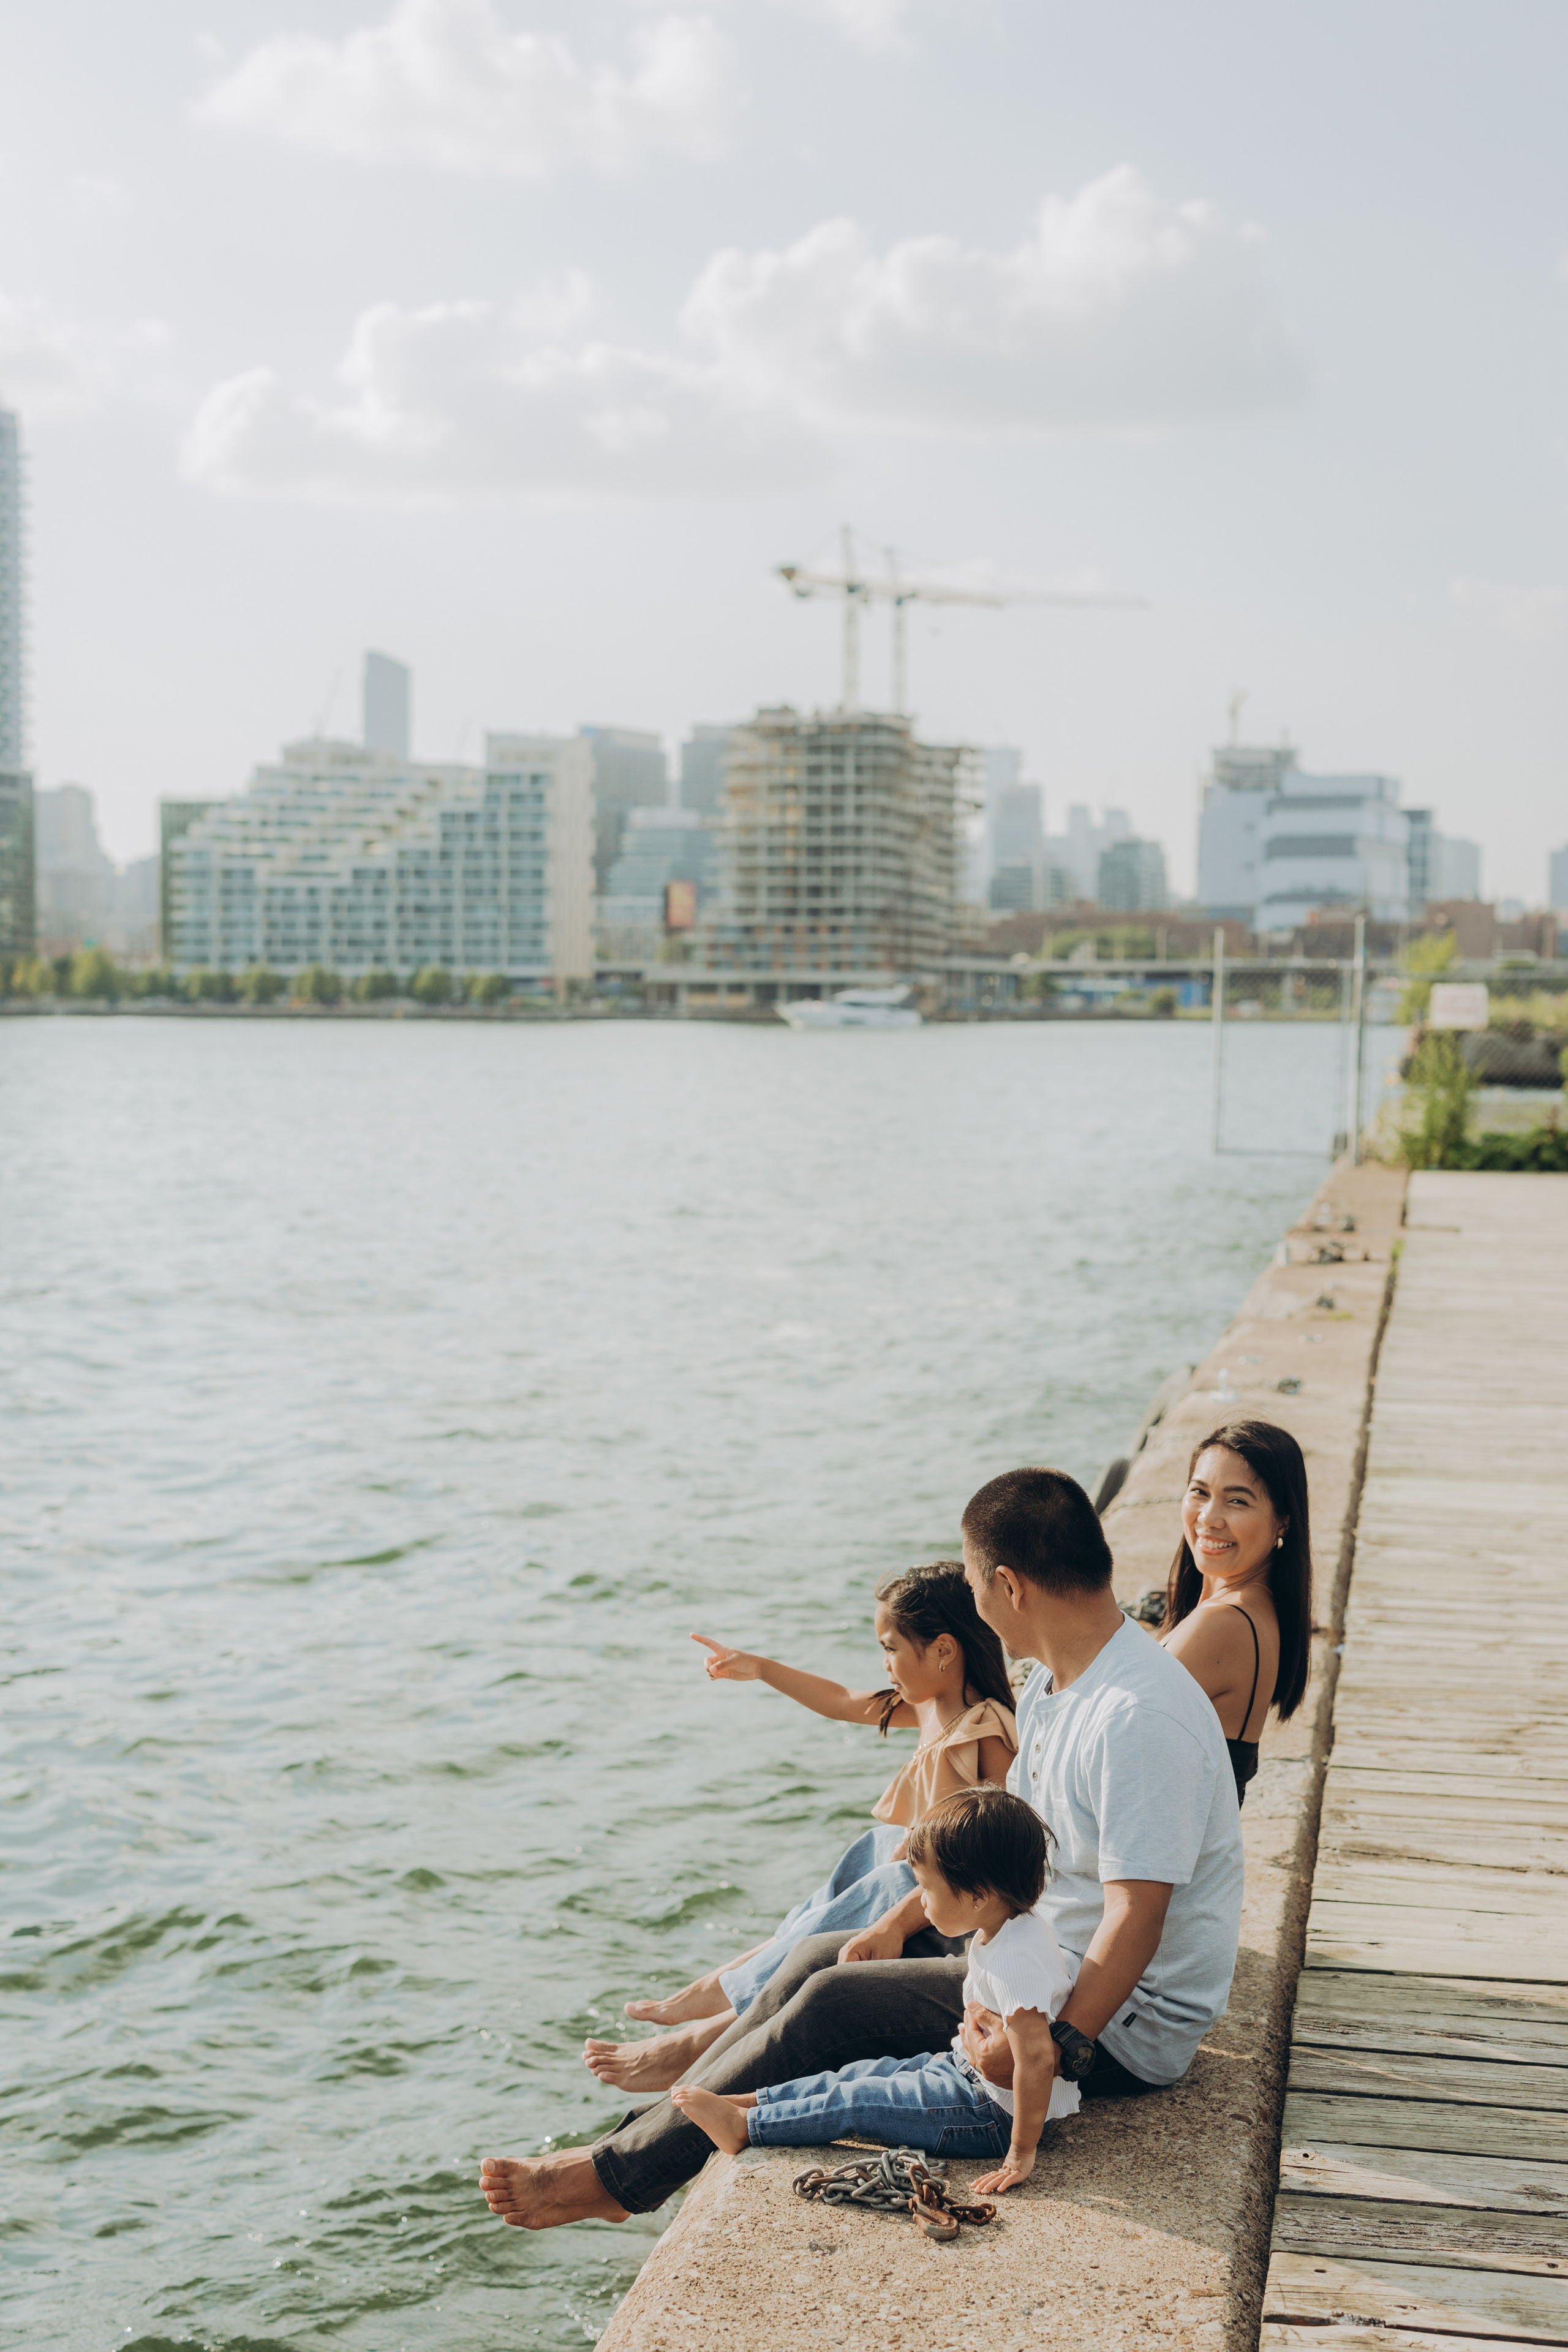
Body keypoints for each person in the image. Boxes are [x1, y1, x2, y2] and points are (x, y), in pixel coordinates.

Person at [478, 1465, 1245, 2233]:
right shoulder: (1051, 1687)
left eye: (976, 1584)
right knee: (822, 1957)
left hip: (1121, 2022)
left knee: (831, 2004)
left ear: (1008, 1586)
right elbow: (1003, 1858)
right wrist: (900, 1918)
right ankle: (628, 2154)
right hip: (1044, 1956)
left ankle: (612, 2180)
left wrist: (1055, 2049)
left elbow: (1137, 1917)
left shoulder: (1136, 1715)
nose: (976, 1605)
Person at [584, 1561, 1016, 2092]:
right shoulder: (928, 1704)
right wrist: (761, 1668)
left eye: (891, 1648)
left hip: (945, 1898)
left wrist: (895, 1921)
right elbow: (840, 1701)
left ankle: (708, 2024)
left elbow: (981, 1859)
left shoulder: (982, 1730)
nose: (884, 1664)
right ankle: (725, 1987)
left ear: (944, 1650)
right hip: (913, 1868)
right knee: (869, 1852)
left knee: (889, 1874)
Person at [671, 1785, 1079, 2196]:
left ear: (977, 1897)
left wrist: (1020, 2153)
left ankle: (746, 2128)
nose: (921, 1904)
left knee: (861, 2102)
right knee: (859, 2075)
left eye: (928, 1890)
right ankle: (758, 2102)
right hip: (963, 2073)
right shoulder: (1005, 1930)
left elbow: (1038, 2057)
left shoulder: (1018, 1958)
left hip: (987, 2113)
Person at [1158, 1420, 1313, 1806]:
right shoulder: (1253, 1606)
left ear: (1283, 1521)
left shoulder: (1226, 1622)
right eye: (1199, 1492)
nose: (1209, 1517)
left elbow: (1099, 1727)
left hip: (1164, 1862)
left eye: (1237, 1500)